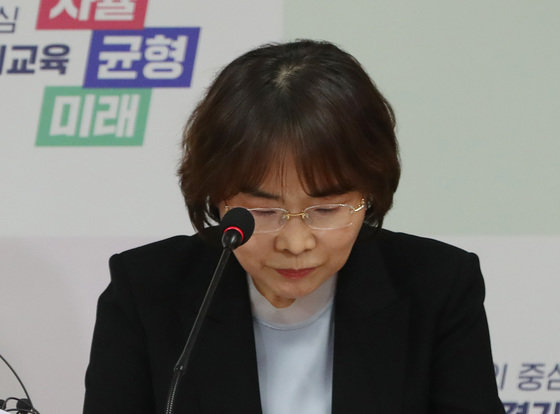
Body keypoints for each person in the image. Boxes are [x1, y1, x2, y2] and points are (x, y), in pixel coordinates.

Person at [83, 40, 505, 413]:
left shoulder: (438, 286)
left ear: (369, 196)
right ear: (218, 198)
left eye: (326, 210)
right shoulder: (146, 291)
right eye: (264, 212)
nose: (296, 242)